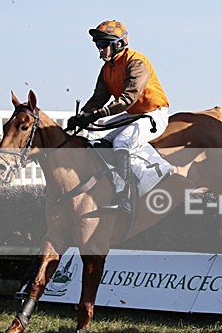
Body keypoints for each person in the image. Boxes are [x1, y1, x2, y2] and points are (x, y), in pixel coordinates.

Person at [68, 20, 170, 214]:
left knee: (122, 141)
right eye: (97, 45)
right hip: (132, 115)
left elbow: (128, 98)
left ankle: (125, 197)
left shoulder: (136, 62)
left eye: (103, 45)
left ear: (119, 43)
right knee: (94, 139)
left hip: (154, 113)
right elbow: (98, 99)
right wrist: (81, 117)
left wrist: (99, 114)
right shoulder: (106, 69)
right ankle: (108, 186)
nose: (99, 50)